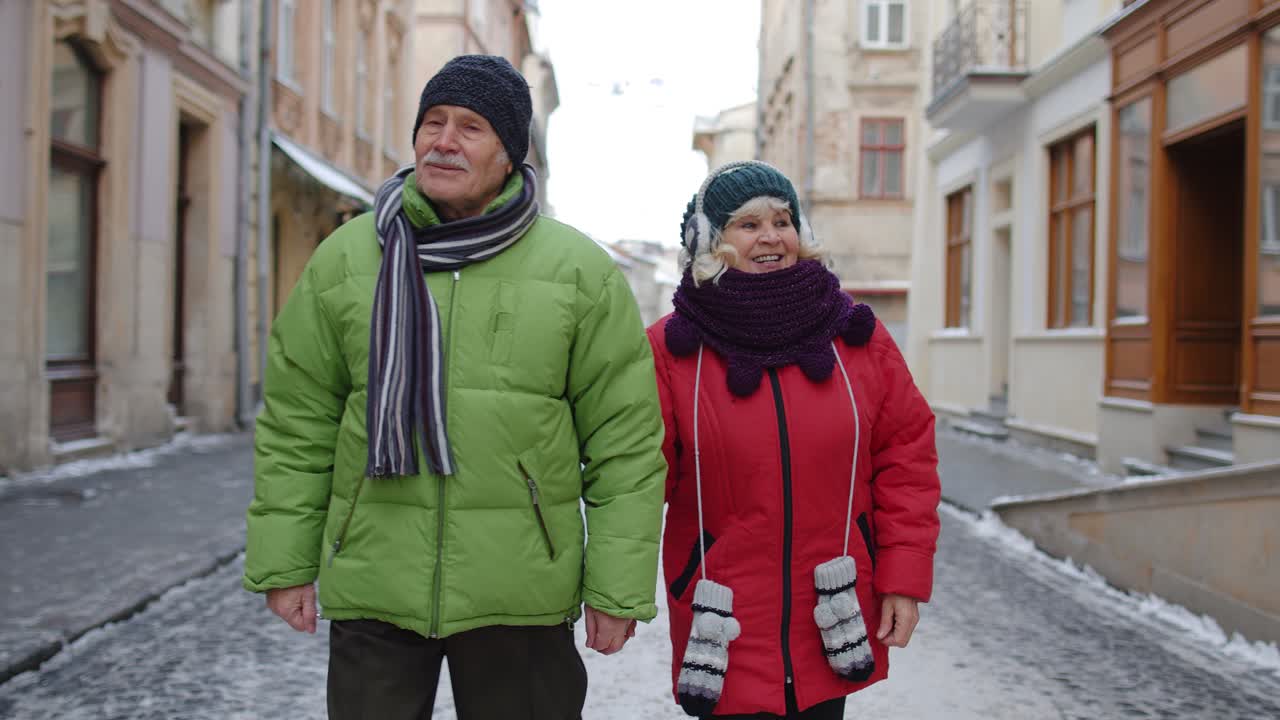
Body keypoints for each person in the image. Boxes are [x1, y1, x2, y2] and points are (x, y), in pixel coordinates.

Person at [243, 55, 667, 720]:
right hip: (374, 578)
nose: (443, 141)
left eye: (470, 127)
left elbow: (626, 446)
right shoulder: (348, 258)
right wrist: (286, 563)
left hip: (520, 590)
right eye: (432, 122)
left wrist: (616, 589)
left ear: (509, 152)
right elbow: (299, 425)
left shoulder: (578, 271)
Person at [647, 161, 941, 719]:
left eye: (782, 220)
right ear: (711, 241)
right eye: (747, 223)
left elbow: (906, 457)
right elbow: (633, 478)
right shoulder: (670, 351)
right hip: (723, 619)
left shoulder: (855, 335)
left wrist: (903, 577)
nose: (770, 237)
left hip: (833, 613)